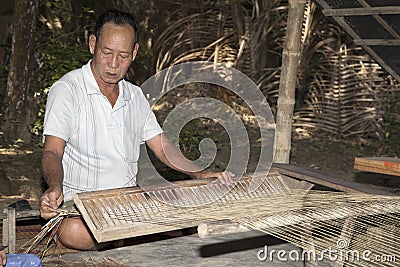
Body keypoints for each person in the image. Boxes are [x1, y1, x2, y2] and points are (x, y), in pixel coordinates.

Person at [39, 9, 234, 251]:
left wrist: (198, 173)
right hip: (81, 204)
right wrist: (54, 186)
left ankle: (124, 233)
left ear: (135, 53)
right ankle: (129, 234)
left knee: (189, 208)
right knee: (76, 232)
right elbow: (52, 153)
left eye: (123, 56)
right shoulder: (68, 90)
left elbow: (162, 147)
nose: (113, 64)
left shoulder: (134, 95)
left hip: (126, 201)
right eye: (107, 52)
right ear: (92, 44)